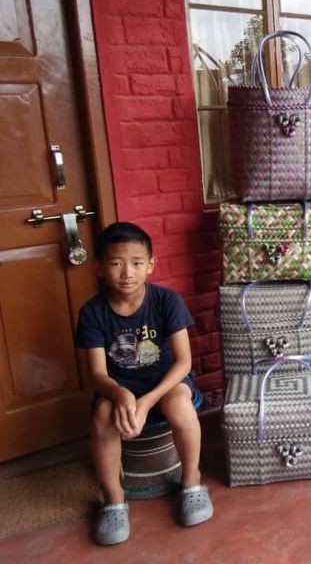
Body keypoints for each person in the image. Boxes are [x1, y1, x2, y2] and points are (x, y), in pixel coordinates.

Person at [76, 222, 213, 546]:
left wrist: (147, 400)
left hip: (166, 382)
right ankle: (113, 498)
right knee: (102, 414)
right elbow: (97, 375)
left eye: (137, 263)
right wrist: (120, 393)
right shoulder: (92, 313)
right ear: (99, 268)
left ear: (151, 265)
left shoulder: (167, 301)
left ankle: (192, 481)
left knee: (178, 403)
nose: (127, 273)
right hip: (119, 386)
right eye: (116, 263)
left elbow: (184, 362)